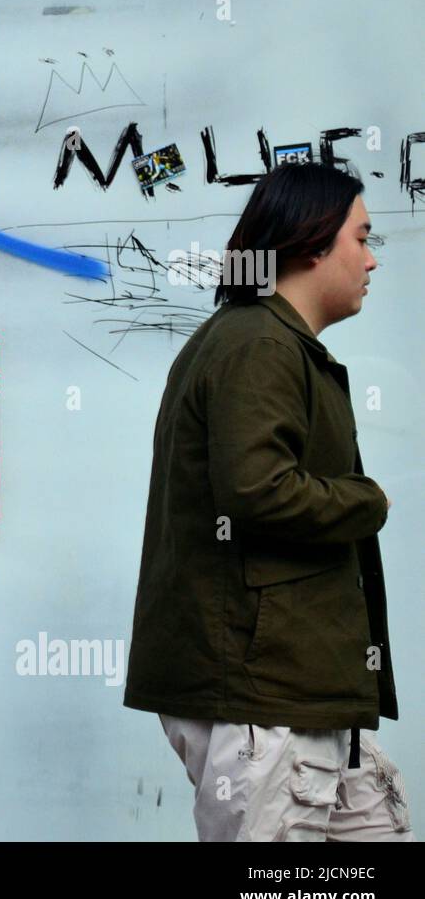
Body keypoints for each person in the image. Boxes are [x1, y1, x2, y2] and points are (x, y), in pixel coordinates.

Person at [124, 163, 410, 842]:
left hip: (302, 698)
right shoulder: (257, 344)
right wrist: (367, 501)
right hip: (265, 702)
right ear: (314, 243)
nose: (371, 260)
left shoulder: (268, 342)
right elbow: (258, 491)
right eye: (362, 238)